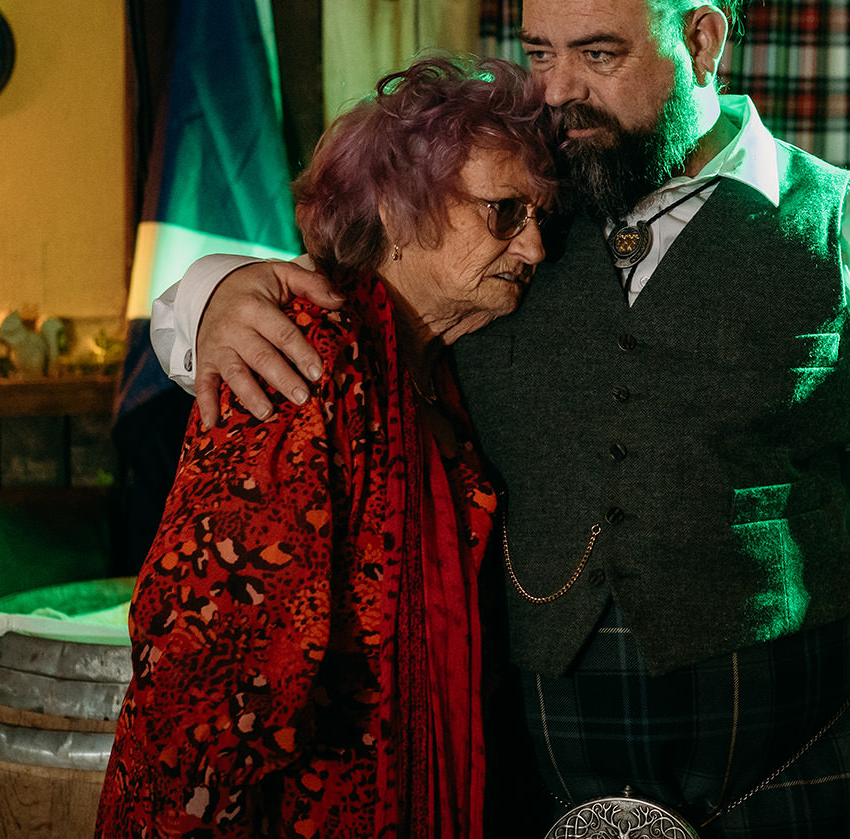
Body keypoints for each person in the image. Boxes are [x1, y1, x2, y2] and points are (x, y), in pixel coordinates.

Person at [153, 0, 850, 839]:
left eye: (600, 54)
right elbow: (337, 305)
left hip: (795, 769)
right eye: (540, 52)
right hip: (535, 777)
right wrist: (205, 297)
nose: (559, 92)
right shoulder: (503, 217)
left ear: (702, 40)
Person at [98, 57, 559, 839]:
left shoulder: (433, 370)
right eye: (505, 211)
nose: (536, 247)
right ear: (396, 205)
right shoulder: (301, 354)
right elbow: (210, 685)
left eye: (542, 215)